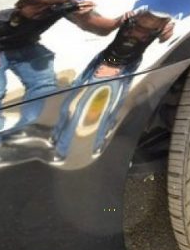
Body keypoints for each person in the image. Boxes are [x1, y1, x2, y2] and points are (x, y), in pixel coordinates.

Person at [0, 0, 130, 165]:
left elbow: (101, 28)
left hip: (26, 48)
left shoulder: (55, 10)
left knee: (44, 88)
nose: (40, 14)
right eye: (35, 9)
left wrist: (96, 17)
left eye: (45, 10)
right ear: (22, 5)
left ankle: (24, 133)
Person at [52, 10, 174, 161]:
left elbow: (164, 38)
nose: (146, 23)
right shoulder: (130, 20)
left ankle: (73, 147)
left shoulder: (155, 29)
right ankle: (61, 140)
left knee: (96, 106)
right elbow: (106, 27)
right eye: (147, 17)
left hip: (120, 65)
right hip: (109, 60)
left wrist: (167, 30)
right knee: (80, 99)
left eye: (154, 20)